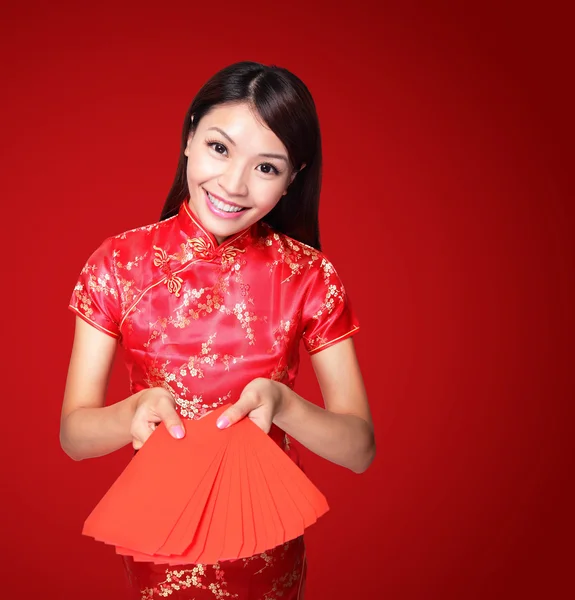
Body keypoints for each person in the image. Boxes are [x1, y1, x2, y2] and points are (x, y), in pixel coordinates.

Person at [60, 61, 375, 600]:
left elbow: (359, 448)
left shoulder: (307, 275)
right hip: (160, 547)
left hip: (269, 551)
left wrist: (285, 404)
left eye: (267, 167)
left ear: (294, 177)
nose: (233, 184)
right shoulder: (117, 264)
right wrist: (130, 415)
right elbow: (74, 435)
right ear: (189, 138)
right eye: (220, 148)